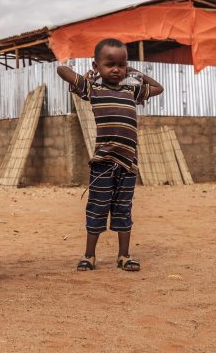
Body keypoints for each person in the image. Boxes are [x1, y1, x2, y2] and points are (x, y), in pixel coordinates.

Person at [55, 38, 164, 273]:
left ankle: (124, 256)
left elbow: (158, 88)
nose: (116, 69)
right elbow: (61, 70)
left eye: (122, 64)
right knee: (97, 208)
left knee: (123, 209)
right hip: (103, 163)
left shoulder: (131, 90)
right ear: (97, 66)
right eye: (109, 64)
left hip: (128, 164)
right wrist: (90, 76)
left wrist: (137, 74)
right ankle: (89, 256)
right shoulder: (93, 89)